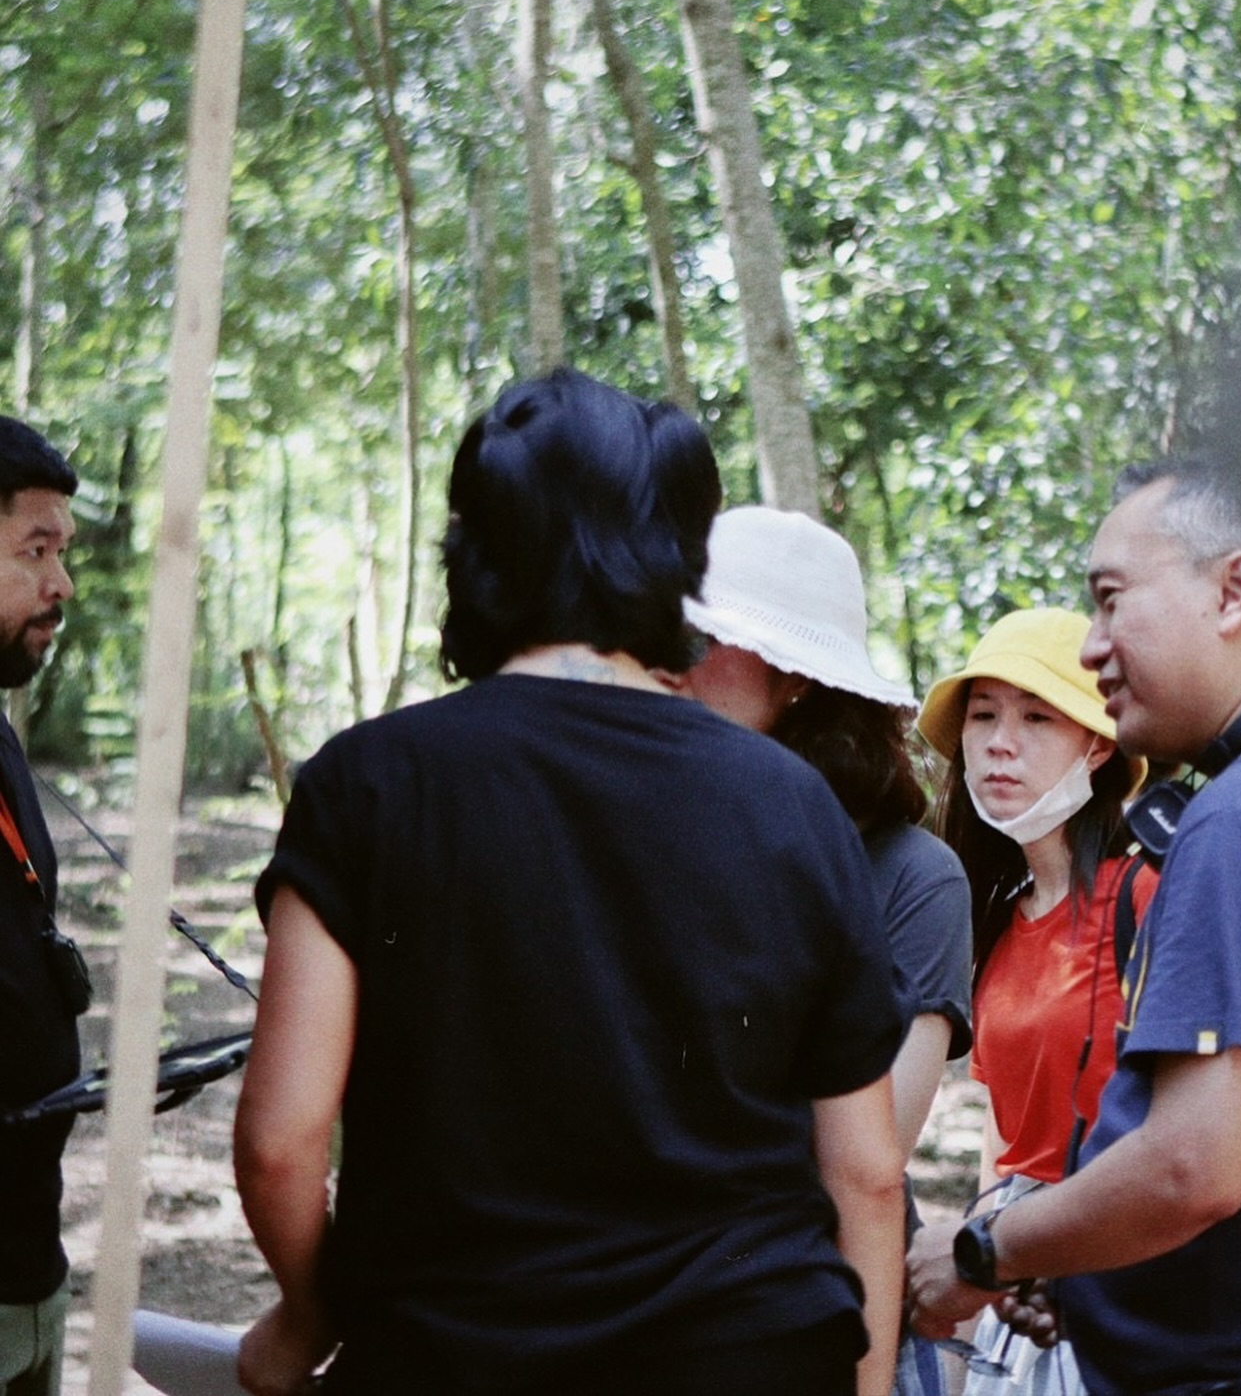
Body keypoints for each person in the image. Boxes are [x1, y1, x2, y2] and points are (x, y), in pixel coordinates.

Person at [233, 369, 909, 1396]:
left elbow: (281, 1143)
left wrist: (306, 1317)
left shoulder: (369, 785)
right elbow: (866, 1170)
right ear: (676, 559)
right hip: (751, 1360)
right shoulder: (792, 803)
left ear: (473, 552)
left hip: (455, 1356)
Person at [908, 454, 1241, 1394]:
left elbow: (1195, 1167)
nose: (1093, 646)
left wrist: (985, 1250)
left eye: (1113, 600)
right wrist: (1090, 1273)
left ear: (1236, 590)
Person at [673, 505, 973, 1396]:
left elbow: (872, 1149)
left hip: (815, 1291)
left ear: (798, 680)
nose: (678, 657)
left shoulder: (915, 877)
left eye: (710, 637)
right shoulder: (659, 827)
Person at [916, 607, 1152, 1396]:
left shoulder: (1149, 896)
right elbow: (1003, 1130)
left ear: (1098, 744)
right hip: (1017, 1280)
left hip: (1126, 1255)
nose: (998, 744)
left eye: (1034, 718)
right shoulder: (997, 922)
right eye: (982, 717)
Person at [0, 416, 83, 1396]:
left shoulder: (5, 745)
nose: (61, 585)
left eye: (61, 553)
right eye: (36, 551)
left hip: (30, 1271)